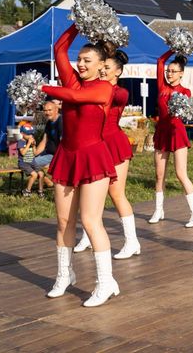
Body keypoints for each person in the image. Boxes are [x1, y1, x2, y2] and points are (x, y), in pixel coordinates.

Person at [41, 24, 119, 308]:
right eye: (80, 59)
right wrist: (79, 23)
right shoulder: (73, 81)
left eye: (88, 60)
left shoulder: (104, 89)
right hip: (67, 155)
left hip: (93, 157)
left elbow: (72, 97)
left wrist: (43, 88)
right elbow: (60, 49)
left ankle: (105, 282)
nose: (81, 64)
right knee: (63, 221)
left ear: (101, 66)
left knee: (90, 220)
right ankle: (65, 274)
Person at [74, 50, 141, 260]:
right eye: (101, 67)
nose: (102, 71)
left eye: (107, 68)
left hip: (114, 144)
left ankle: (132, 241)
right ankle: (87, 236)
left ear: (118, 72)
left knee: (116, 193)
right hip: (93, 145)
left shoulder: (120, 92)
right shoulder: (93, 87)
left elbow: (116, 96)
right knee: (89, 193)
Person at [148, 49, 193, 228]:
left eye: (173, 71)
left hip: (177, 133)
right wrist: (174, 48)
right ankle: (158, 210)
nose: (169, 74)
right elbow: (160, 60)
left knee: (181, 174)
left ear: (181, 73)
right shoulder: (162, 87)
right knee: (159, 175)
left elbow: (183, 113)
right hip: (162, 133)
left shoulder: (185, 91)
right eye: (168, 71)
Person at [32, 100, 62, 187]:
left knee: (31, 163)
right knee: (28, 161)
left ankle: (47, 180)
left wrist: (56, 160)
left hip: (56, 155)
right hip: (48, 152)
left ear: (56, 110)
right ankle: (46, 179)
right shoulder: (49, 123)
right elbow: (44, 141)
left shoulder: (61, 122)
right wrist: (34, 154)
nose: (47, 113)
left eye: (49, 110)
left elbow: (63, 143)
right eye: (45, 110)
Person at [16, 122, 46, 197]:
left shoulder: (30, 141)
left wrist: (33, 146)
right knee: (34, 175)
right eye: (28, 134)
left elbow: (35, 153)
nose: (31, 136)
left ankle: (40, 191)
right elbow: (23, 153)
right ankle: (27, 190)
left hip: (32, 162)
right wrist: (28, 144)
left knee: (41, 174)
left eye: (32, 134)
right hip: (24, 163)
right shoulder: (21, 142)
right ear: (22, 133)